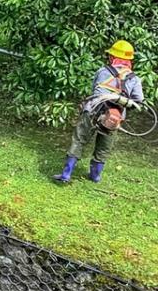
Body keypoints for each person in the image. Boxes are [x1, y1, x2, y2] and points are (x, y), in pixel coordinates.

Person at [54, 40, 145, 184]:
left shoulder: (103, 71)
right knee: (104, 146)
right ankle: (95, 177)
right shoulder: (135, 79)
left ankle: (66, 174)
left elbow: (94, 91)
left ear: (112, 57)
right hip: (114, 117)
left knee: (79, 140)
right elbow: (138, 101)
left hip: (93, 111)